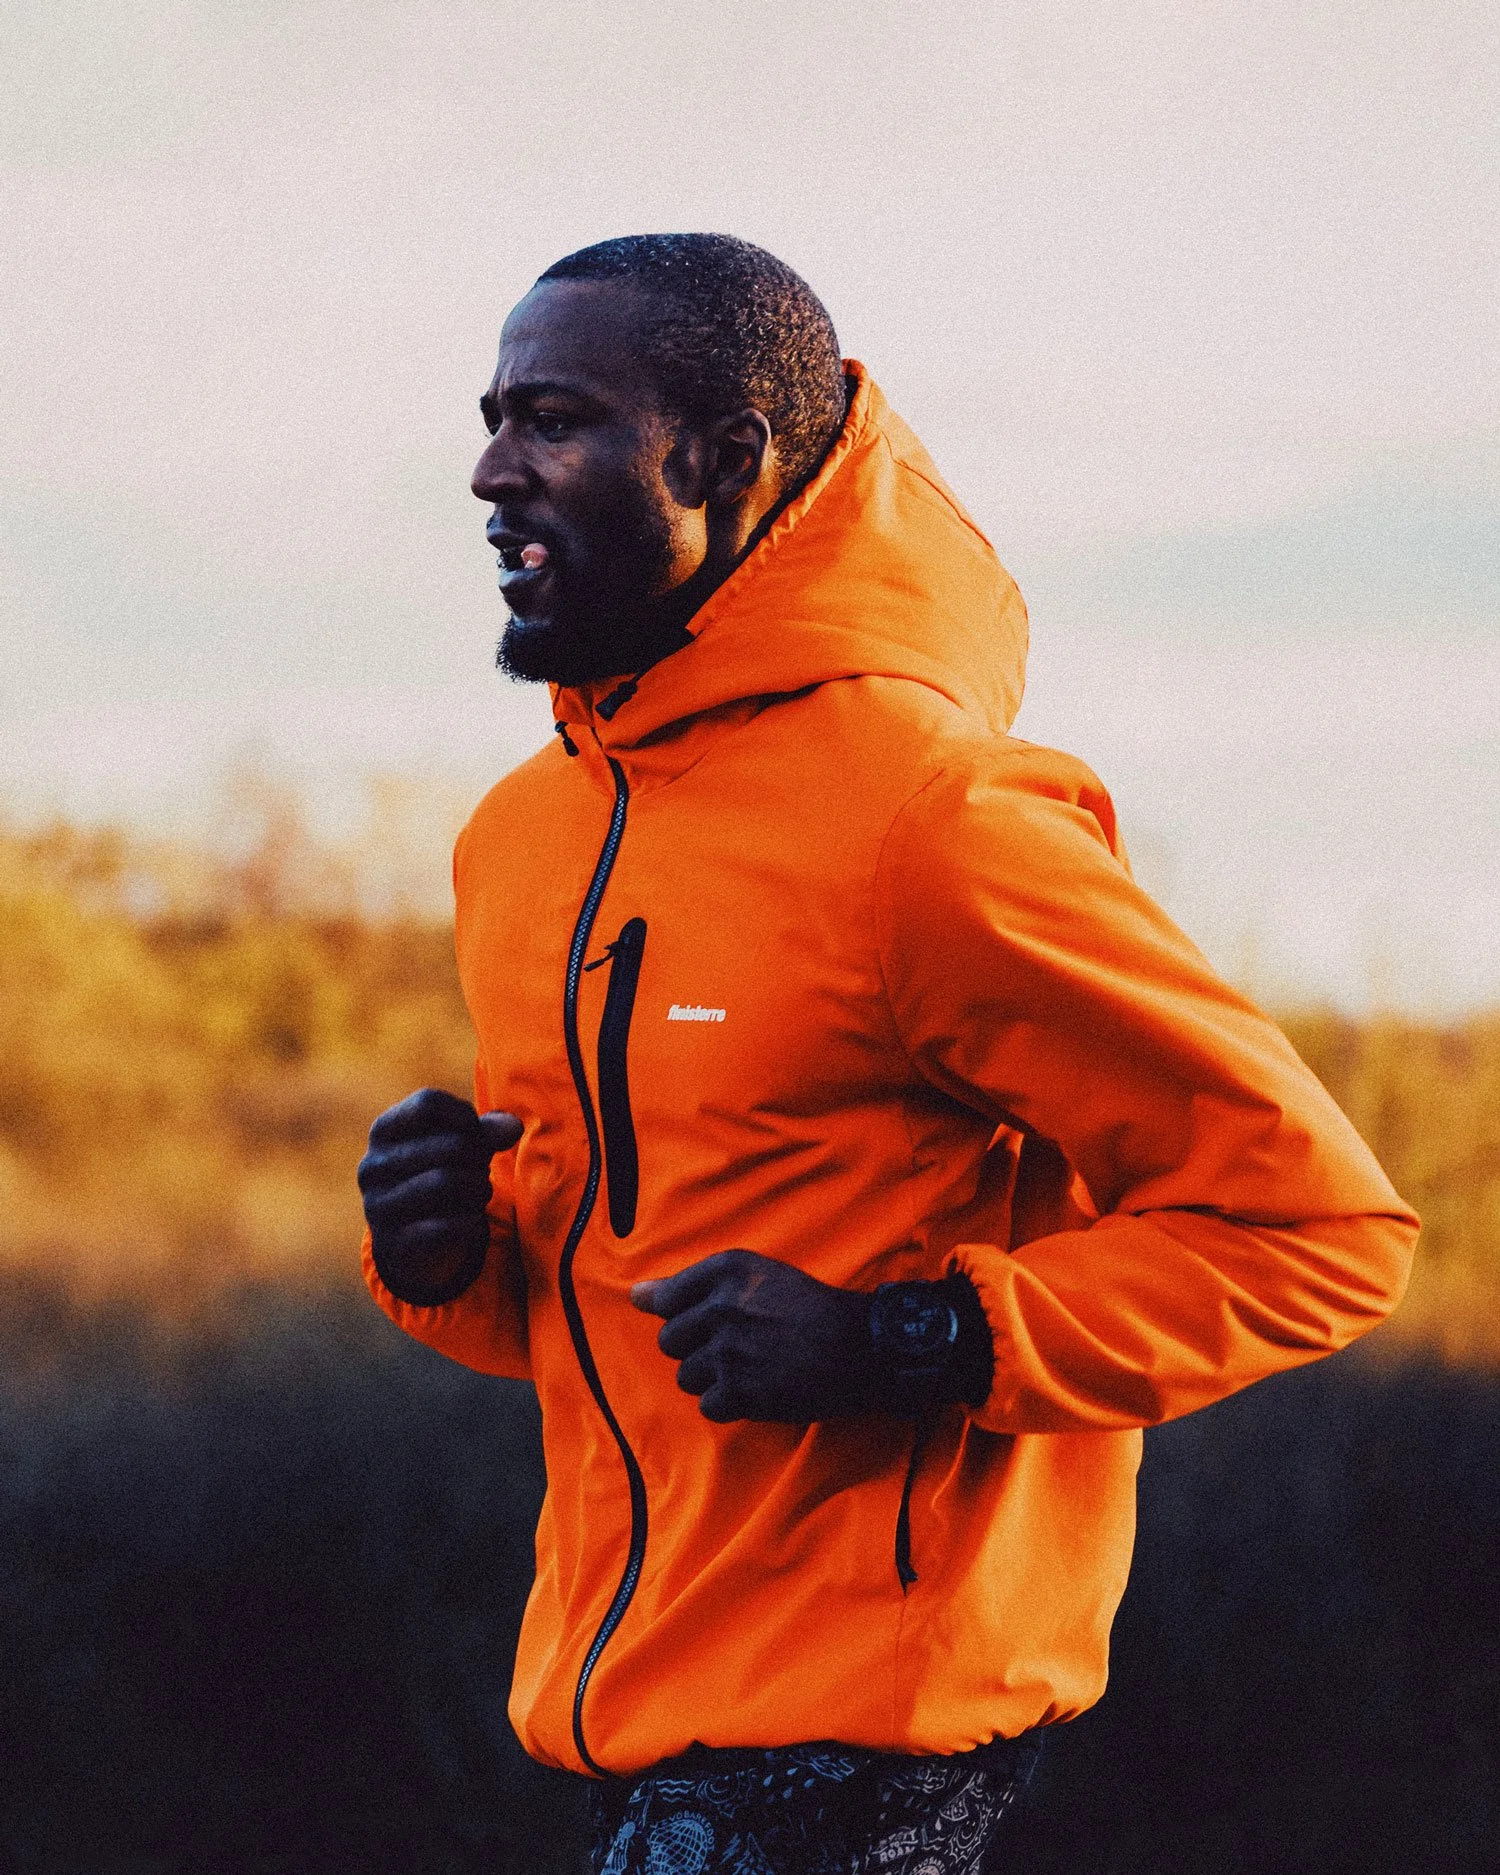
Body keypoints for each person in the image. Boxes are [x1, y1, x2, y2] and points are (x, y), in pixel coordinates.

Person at [357, 234, 1418, 1874]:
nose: (492, 471)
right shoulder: (523, 842)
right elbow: (618, 1306)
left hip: (872, 1761)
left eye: (551, 419)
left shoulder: (930, 819)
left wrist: (908, 1340)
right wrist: (453, 1257)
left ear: (717, 463)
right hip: (624, 1725)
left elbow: (1322, 1235)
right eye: (493, 418)